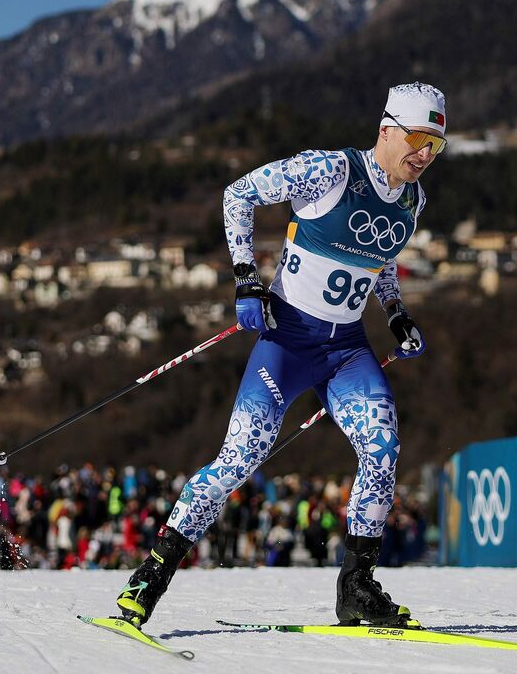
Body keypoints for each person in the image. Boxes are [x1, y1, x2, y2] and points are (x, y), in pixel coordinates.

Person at [116, 82, 447, 628]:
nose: (423, 155)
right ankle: (152, 574)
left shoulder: (414, 200)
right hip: (288, 341)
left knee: (383, 449)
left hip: (346, 348)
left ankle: (356, 588)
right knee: (239, 460)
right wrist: (246, 278)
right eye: (416, 139)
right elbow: (238, 194)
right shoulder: (330, 171)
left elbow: (380, 260)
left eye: (436, 146)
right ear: (386, 128)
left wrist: (395, 315)